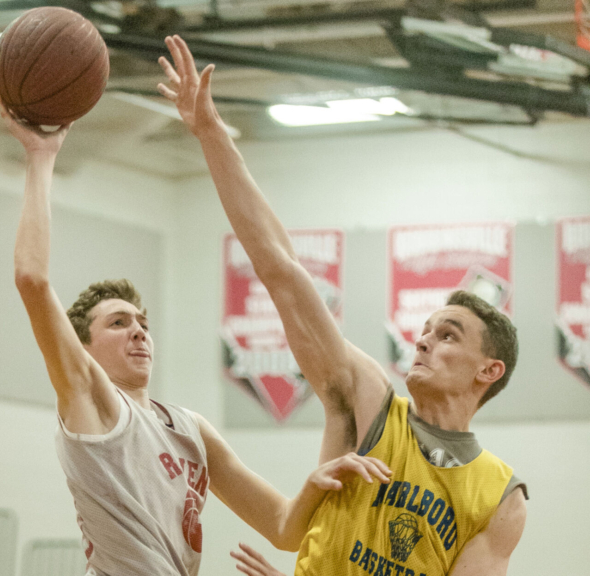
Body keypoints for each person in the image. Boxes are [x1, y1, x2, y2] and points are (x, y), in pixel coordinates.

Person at [157, 35, 528, 576]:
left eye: (449, 335)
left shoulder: (502, 497)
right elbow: (281, 269)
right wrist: (212, 133)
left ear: (489, 370)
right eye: (426, 329)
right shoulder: (369, 401)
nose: (424, 339)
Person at [0, 95, 393, 576]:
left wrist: (318, 479)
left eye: (143, 323)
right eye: (118, 323)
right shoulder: (92, 403)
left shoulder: (190, 430)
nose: (138, 332)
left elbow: (285, 528)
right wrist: (41, 157)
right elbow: (32, 280)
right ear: (82, 349)